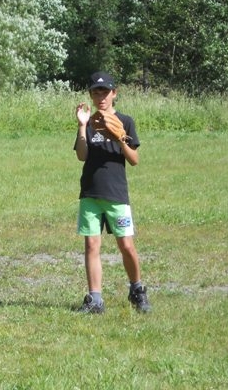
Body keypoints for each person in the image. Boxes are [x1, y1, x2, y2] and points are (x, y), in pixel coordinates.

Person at [74, 71, 151, 313]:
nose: (101, 97)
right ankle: (95, 300)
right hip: (90, 192)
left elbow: (134, 159)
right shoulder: (89, 122)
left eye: (105, 92)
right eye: (96, 93)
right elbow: (82, 155)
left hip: (116, 193)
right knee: (91, 245)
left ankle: (137, 290)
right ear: (91, 96)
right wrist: (82, 126)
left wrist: (120, 139)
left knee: (126, 245)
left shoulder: (125, 121)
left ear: (114, 93)